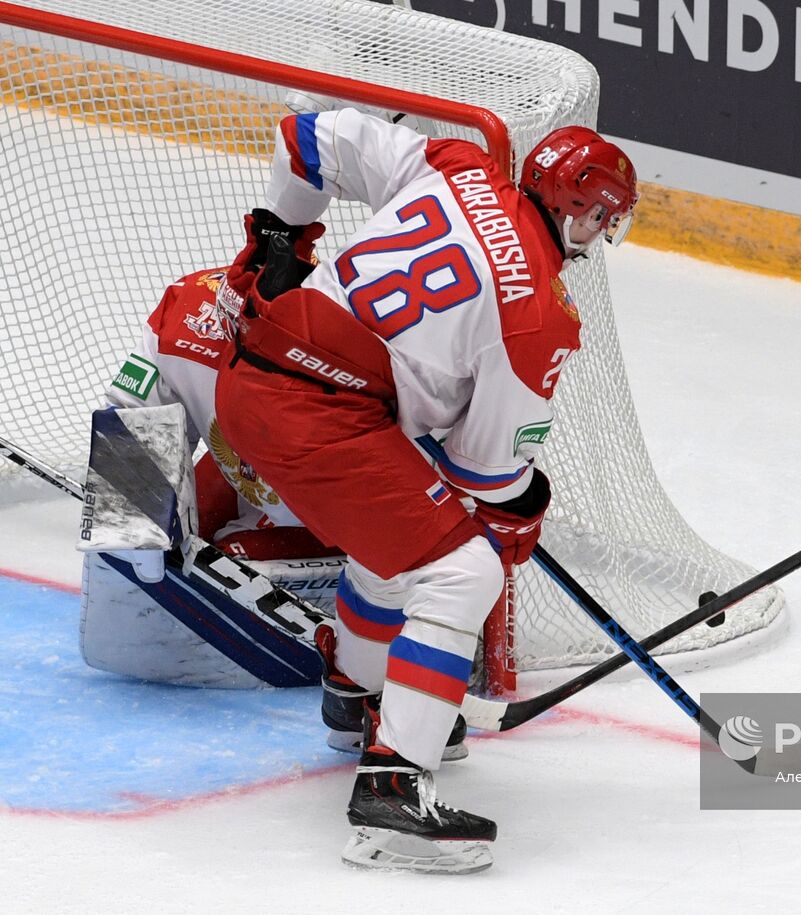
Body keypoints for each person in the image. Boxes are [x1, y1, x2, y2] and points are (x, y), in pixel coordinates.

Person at [213, 107, 639, 873]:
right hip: (318, 416)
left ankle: (356, 694)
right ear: (579, 213)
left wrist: (282, 236)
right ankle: (393, 790)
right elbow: (485, 473)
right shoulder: (538, 315)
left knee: (406, 532)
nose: (597, 240)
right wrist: (521, 507)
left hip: (254, 367)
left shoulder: (462, 167)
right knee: (463, 567)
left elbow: (307, 137)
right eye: (600, 222)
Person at [87, 248, 345, 689]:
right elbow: (132, 413)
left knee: (231, 549)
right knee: (149, 534)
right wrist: (138, 518)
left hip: (338, 500)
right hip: (251, 468)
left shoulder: (359, 340)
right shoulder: (186, 314)